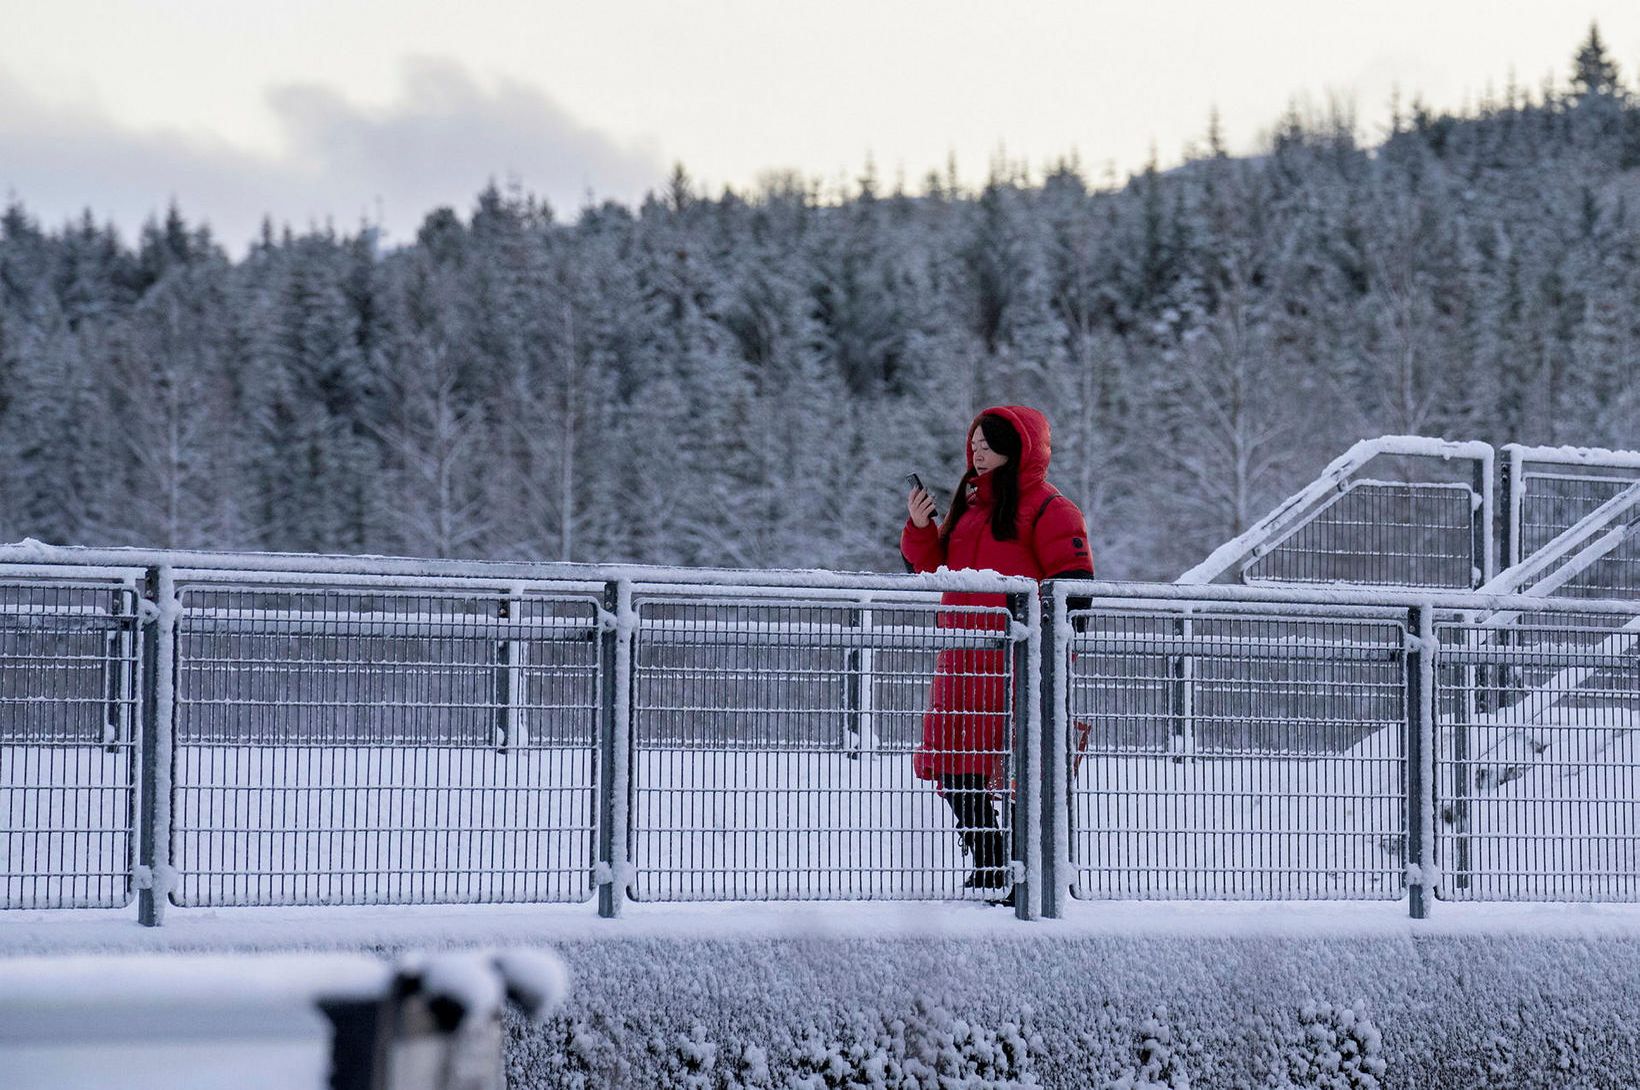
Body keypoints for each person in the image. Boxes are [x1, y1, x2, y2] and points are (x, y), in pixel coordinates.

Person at [901, 405, 1093, 896]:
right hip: (962, 654)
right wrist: (920, 529)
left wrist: (1048, 648)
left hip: (1017, 662)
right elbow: (931, 571)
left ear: (1018, 448)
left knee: (1017, 767)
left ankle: (1018, 870)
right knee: (951, 760)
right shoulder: (970, 505)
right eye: (974, 443)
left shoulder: (1053, 508)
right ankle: (991, 860)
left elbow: (1074, 589)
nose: (977, 451)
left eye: (988, 444)